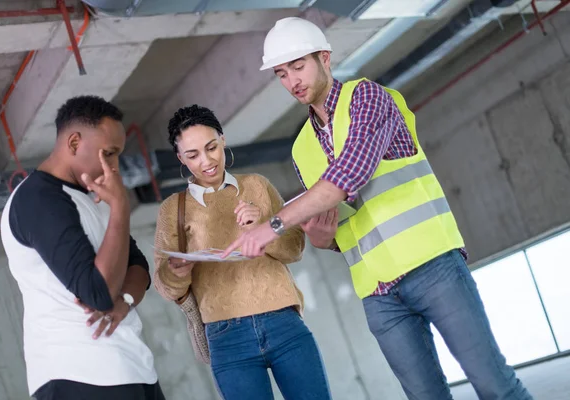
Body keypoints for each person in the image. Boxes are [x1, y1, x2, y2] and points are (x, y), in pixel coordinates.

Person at [222, 17, 533, 400]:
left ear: (325, 58)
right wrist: (318, 234)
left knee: (494, 385)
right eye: (282, 74)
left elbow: (346, 176)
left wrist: (272, 224)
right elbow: (333, 235)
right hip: (378, 295)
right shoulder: (302, 147)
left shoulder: (367, 98)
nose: (292, 81)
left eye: (299, 66)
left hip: (432, 267)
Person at [153, 104, 332, 400]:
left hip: (283, 321)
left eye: (211, 147)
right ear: (180, 158)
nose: (207, 161)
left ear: (222, 139)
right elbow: (165, 286)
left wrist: (264, 228)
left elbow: (294, 249)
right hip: (226, 336)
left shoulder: (257, 186)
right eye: (193, 155)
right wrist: (174, 273)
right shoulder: (173, 209)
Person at [0, 95, 165, 400]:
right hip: (78, 374)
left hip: (132, 366)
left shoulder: (92, 198)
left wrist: (125, 299)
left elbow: (139, 266)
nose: (114, 167)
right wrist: (121, 208)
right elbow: (98, 292)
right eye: (109, 153)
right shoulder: (37, 200)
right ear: (74, 142)